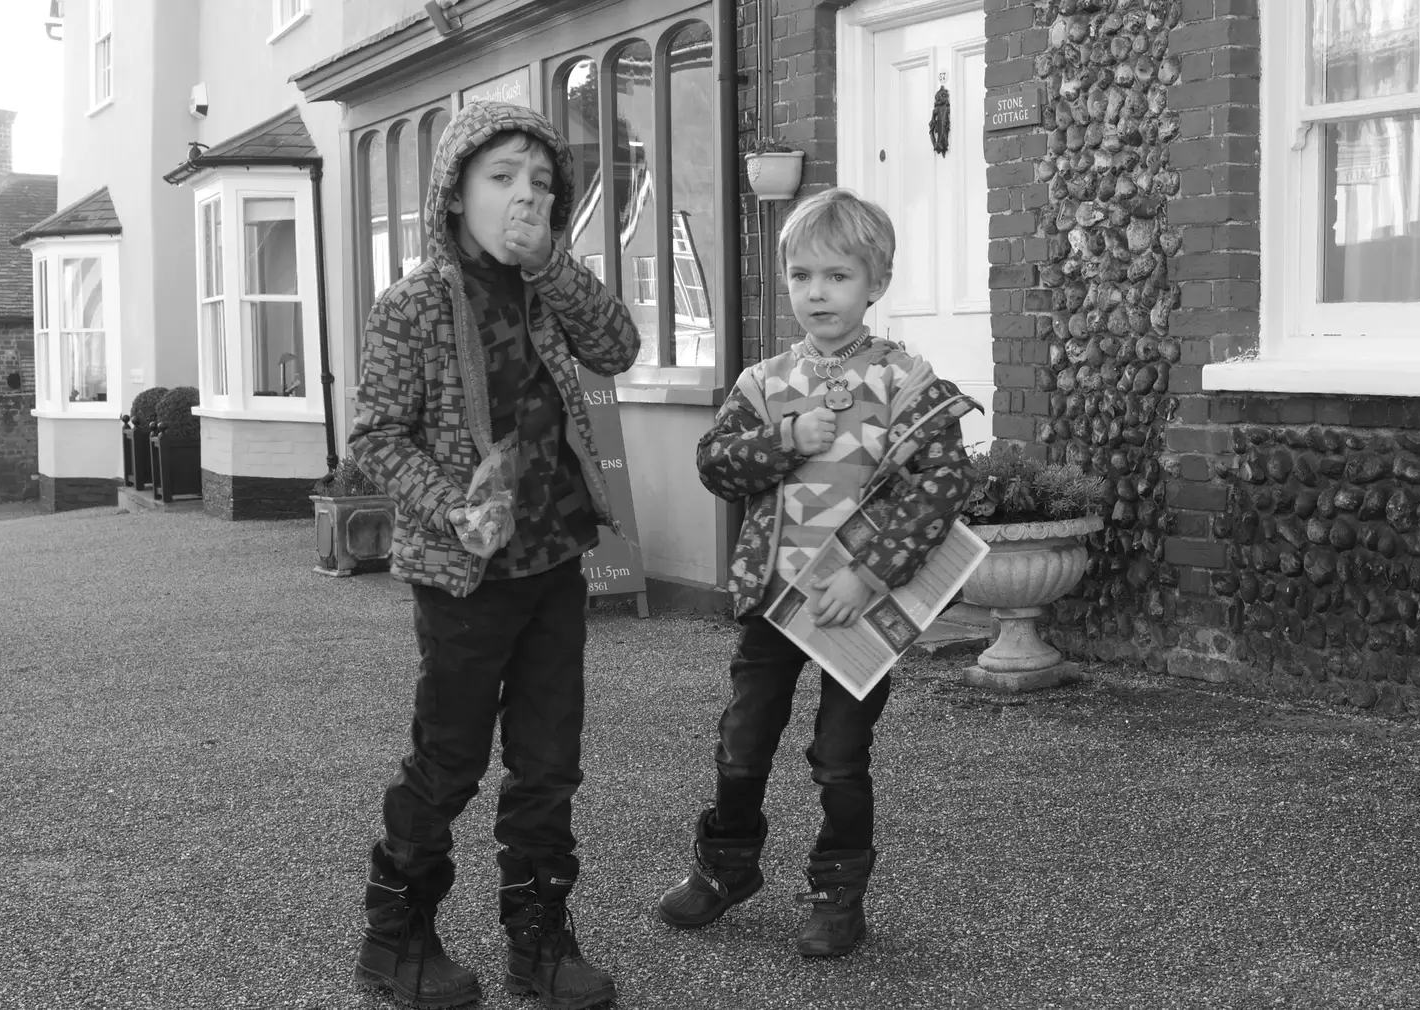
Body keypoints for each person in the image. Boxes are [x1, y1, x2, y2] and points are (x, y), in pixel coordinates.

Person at [348, 99, 639, 1010]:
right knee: (451, 759)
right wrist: (451, 506)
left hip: (553, 561)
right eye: (502, 177)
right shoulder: (414, 305)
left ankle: (540, 944)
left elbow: (619, 347)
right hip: (464, 572)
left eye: (543, 182)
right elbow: (376, 437)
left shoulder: (547, 285)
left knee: (550, 760)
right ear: (455, 193)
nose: (525, 196)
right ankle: (397, 942)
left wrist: (553, 263)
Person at [656, 187, 977, 957]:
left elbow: (940, 485)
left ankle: (838, 894)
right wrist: (788, 436)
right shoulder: (765, 382)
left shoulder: (904, 379)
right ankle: (727, 866)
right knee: (742, 744)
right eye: (801, 276)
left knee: (839, 759)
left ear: (876, 282)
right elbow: (717, 465)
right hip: (775, 603)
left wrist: (867, 574)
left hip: (856, 609)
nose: (816, 293)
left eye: (836, 277)